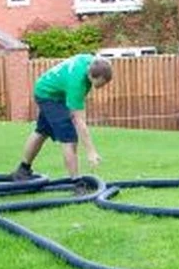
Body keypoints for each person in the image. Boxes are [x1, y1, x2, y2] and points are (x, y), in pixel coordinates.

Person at [11, 54, 112, 182]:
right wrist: (91, 152)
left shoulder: (91, 62)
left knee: (42, 131)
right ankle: (76, 182)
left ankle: (22, 170)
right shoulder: (77, 83)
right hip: (48, 95)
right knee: (69, 138)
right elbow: (79, 120)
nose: (102, 87)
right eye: (101, 83)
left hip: (50, 90)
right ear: (91, 75)